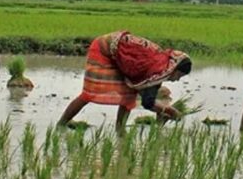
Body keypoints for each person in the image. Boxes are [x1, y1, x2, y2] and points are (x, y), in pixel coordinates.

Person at [57, 31, 192, 131]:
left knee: (129, 95)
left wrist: (162, 113)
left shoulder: (162, 65)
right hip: (103, 49)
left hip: (120, 56)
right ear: (174, 68)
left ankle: (119, 129)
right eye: (179, 76)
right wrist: (170, 111)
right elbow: (147, 102)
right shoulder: (157, 67)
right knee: (89, 92)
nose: (177, 80)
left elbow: (149, 92)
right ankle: (61, 124)